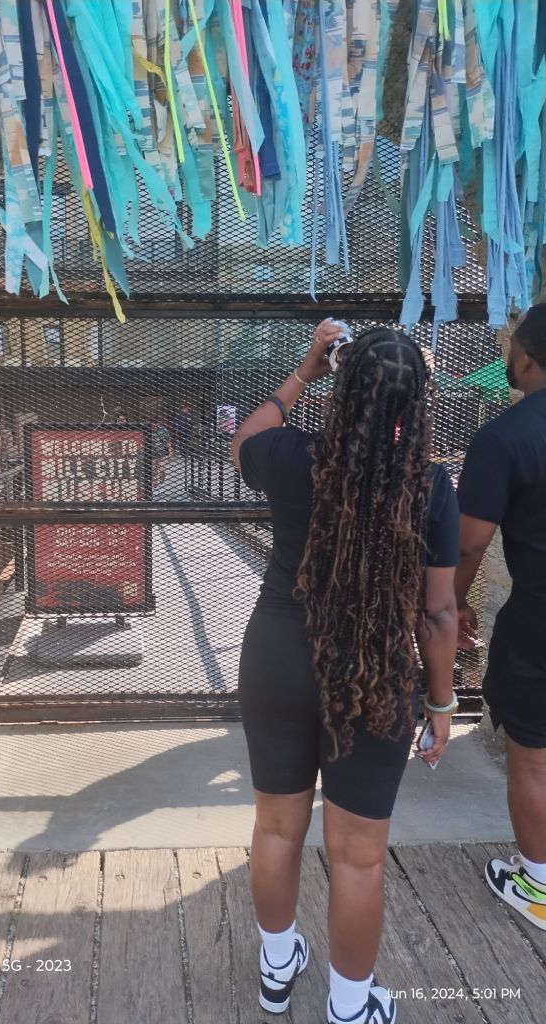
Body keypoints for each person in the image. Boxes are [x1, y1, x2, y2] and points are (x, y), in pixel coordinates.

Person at [231, 321, 460, 1023]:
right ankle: (351, 1007)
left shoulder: (291, 457)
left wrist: (304, 370)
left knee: (276, 828)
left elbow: (244, 439)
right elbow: (439, 614)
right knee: (359, 857)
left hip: (276, 659)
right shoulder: (429, 487)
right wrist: (441, 704)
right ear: (418, 403)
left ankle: (278, 968)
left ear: (342, 385)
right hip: (374, 673)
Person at [454, 303, 546, 931]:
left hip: (538, 624)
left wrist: (452, 603)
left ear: (528, 357)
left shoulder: (504, 437)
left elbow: (468, 545)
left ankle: (537, 884)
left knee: (533, 754)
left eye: (511, 343)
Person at [151, 418, 172, 488]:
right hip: (151, 454)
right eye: (153, 425)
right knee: (153, 470)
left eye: (156, 425)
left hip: (161, 454)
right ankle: (155, 482)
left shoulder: (163, 431)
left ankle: (162, 478)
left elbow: (168, 442)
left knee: (162, 470)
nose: (154, 426)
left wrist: (170, 452)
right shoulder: (147, 430)